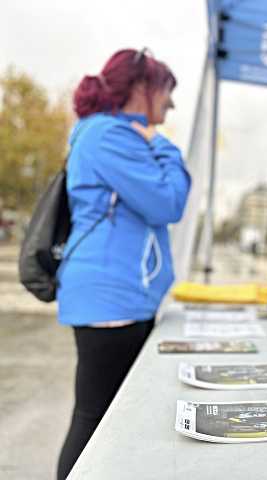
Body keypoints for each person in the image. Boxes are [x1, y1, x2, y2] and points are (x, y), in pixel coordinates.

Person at [56, 48, 191, 479]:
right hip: (110, 297)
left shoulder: (110, 134)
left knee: (104, 415)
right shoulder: (109, 137)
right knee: (95, 417)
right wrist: (164, 146)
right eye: (165, 92)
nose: (169, 104)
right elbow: (167, 202)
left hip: (118, 295)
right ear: (140, 88)